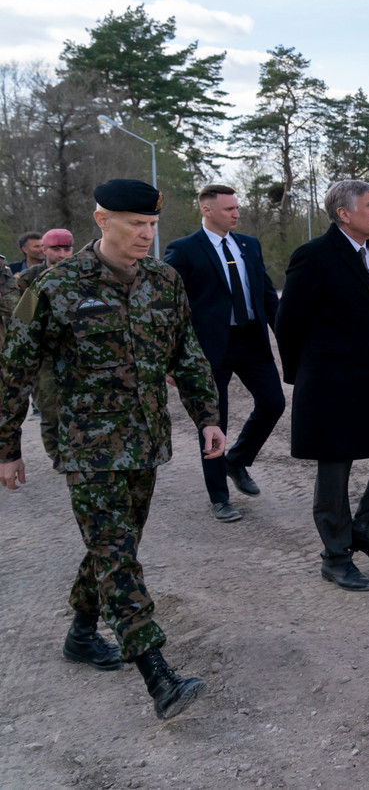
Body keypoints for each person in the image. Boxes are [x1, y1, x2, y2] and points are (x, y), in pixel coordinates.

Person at [0, 179, 225, 721]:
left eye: (151, 226)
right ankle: (157, 674)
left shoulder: (165, 282)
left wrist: (208, 417)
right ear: (102, 221)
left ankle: (81, 634)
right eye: (134, 225)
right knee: (119, 556)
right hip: (87, 447)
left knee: (109, 546)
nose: (146, 235)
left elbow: (187, 355)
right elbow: (15, 369)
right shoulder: (55, 287)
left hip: (146, 443)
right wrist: (8, 446)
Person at [275, 179, 369, 592]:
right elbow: (287, 324)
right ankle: (335, 557)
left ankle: (365, 530)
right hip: (331, 380)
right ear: (344, 214)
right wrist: (306, 375)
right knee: (335, 468)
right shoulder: (314, 257)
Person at [164, 185, 285, 523]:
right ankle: (219, 496)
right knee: (214, 422)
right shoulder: (185, 250)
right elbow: (170, 307)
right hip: (208, 348)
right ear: (207, 210)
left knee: (274, 402)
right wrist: (173, 357)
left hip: (250, 341)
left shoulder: (249, 245)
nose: (236, 213)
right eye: (229, 208)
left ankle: (237, 460)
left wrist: (285, 336)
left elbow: (265, 296)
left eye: (237, 207)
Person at [15, 228, 76, 464]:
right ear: (44, 250)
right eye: (56, 249)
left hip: (77, 353)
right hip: (44, 355)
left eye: (66, 249)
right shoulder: (31, 279)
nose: (62, 254)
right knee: (50, 408)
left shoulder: (81, 275)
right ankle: (58, 455)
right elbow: (22, 319)